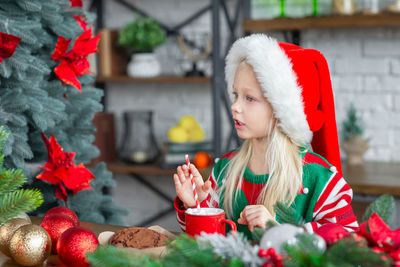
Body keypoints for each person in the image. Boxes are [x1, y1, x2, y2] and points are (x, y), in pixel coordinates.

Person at [173, 34, 358, 240]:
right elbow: (205, 244)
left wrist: (278, 230)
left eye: (250, 98)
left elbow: (347, 241)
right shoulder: (225, 169)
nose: (235, 106)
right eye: (235, 95)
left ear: (281, 109)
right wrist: (195, 206)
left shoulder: (320, 178)